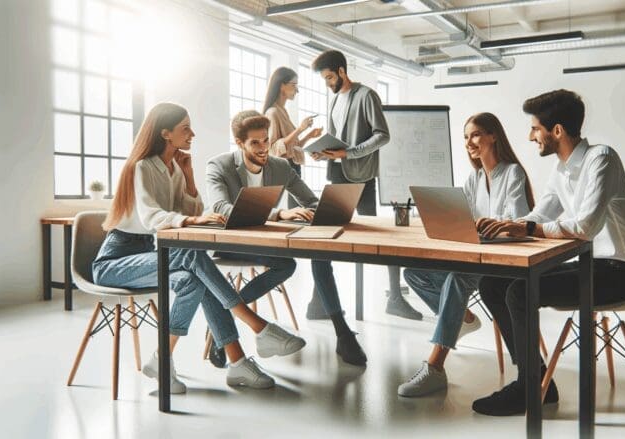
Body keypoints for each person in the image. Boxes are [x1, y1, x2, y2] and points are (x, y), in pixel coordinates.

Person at [93, 103, 305, 394]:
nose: (192, 133)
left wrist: (189, 179)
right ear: (165, 133)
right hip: (116, 261)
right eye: (185, 128)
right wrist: (192, 218)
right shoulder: (141, 166)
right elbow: (151, 217)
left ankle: (206, 361)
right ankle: (256, 326)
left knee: (196, 279)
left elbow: (188, 208)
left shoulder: (173, 168)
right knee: (193, 255)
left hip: (149, 253)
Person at [472, 89, 625, 416]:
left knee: (521, 292)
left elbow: (585, 227)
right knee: (491, 284)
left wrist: (528, 230)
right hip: (592, 265)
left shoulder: (601, 159)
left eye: (535, 128)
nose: (530, 136)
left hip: (621, 272)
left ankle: (528, 389)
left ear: (557, 131)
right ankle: (539, 382)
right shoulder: (562, 168)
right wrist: (507, 225)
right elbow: (541, 216)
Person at [206, 110, 367, 366]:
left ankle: (342, 332)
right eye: (255, 143)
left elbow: (311, 201)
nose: (263, 148)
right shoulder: (220, 165)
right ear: (239, 143)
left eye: (266, 140)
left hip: (266, 243)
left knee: (304, 258)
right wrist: (280, 213)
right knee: (290, 262)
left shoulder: (280, 166)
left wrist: (319, 211)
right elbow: (221, 209)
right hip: (232, 243)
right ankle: (226, 322)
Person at [398, 112, 534, 397]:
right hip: (475, 253)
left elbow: (517, 221)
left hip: (502, 258)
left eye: (474, 135)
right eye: (465, 137)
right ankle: (463, 318)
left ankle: (435, 366)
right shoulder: (474, 178)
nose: (468, 142)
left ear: (493, 136)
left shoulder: (512, 172)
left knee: (458, 279)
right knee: (414, 272)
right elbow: (466, 220)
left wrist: (489, 226)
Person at [310, 49, 422, 321]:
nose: (327, 83)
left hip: (361, 175)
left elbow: (382, 136)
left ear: (341, 71)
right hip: (337, 175)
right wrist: (322, 152)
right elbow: (337, 138)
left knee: (380, 236)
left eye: (328, 77)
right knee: (325, 236)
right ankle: (319, 303)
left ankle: (395, 297)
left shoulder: (366, 95)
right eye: (324, 80)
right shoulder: (335, 99)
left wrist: (349, 153)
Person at [262, 66, 322, 208]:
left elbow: (293, 146)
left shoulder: (283, 111)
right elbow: (273, 147)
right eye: (294, 85)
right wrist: (300, 129)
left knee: (298, 210)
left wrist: (309, 135)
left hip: (293, 166)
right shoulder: (272, 112)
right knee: (288, 208)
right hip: (283, 167)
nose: (297, 90)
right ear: (282, 85)